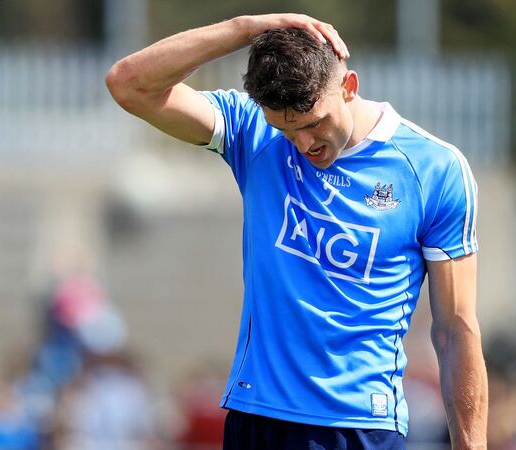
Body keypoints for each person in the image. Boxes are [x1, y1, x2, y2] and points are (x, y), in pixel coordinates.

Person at [105, 13, 487, 450]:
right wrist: (245, 29)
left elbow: (455, 330)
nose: (305, 145)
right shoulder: (251, 132)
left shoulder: (435, 170)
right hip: (258, 416)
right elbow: (129, 84)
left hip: (361, 425)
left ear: (349, 87)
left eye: (312, 123)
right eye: (285, 130)